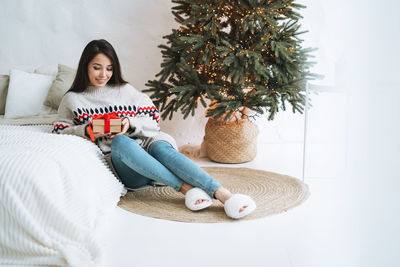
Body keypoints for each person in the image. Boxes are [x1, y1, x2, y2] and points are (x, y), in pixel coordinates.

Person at [53, 39, 256, 219]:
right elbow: (59, 132)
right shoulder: (73, 99)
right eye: (97, 67)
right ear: (85, 67)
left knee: (160, 146)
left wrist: (130, 124)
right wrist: (88, 130)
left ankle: (225, 195)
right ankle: (185, 189)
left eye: (109, 68)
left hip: (147, 146)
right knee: (121, 141)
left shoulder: (125, 90)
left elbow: (153, 119)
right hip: (126, 164)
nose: (103, 74)